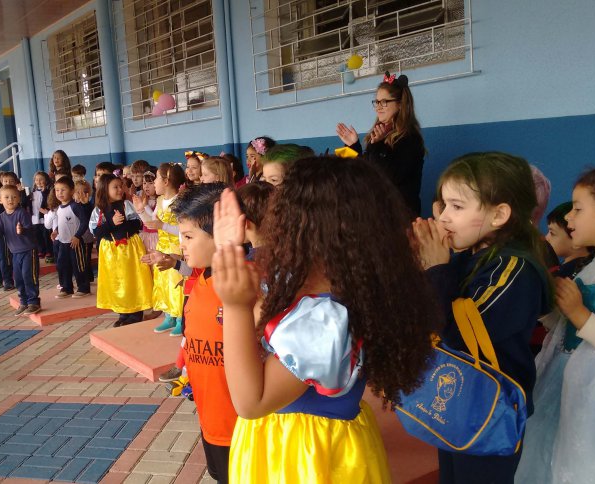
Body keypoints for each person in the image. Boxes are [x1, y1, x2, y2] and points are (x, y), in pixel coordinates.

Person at [213, 156, 437, 482]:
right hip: (308, 444)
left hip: (302, 457)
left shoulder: (325, 324)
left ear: (308, 234)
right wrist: (229, 254)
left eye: (283, 220)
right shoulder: (340, 290)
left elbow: (251, 402)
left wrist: (234, 307)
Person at [412, 152, 552, 483]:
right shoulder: (470, 255)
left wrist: (436, 269)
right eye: (443, 205)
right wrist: (424, 265)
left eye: (457, 206)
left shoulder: (513, 269)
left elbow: (459, 334)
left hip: (489, 409)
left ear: (499, 214)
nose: (444, 217)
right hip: (458, 400)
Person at [515, 169, 595, 484]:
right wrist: (544, 307)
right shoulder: (588, 269)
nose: (568, 217)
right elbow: (564, 333)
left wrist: (579, 314)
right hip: (559, 390)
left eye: (577, 208)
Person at [171, 182, 237, 483]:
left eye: (188, 237)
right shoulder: (199, 284)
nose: (181, 245)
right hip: (211, 420)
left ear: (223, 234)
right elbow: (192, 340)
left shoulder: (240, 290)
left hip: (245, 428)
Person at [336, 72, 425, 215]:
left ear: (400, 104)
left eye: (384, 102)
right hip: (378, 213)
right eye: (376, 102)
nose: (378, 107)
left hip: (400, 216)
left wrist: (378, 145)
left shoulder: (410, 138)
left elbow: (385, 177)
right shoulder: (379, 134)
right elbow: (364, 172)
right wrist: (353, 146)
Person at [89, 173, 153, 327]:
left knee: (132, 279)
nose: (119, 190)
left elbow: (137, 224)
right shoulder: (99, 210)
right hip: (112, 253)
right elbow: (96, 232)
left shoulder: (126, 205)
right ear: (105, 189)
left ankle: (136, 312)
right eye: (115, 187)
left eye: (120, 186)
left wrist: (122, 224)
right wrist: (111, 223)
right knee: (117, 281)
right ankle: (123, 312)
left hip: (130, 249)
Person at [0, 185, 41, 315]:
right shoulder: (1, 217)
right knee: (18, 278)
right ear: (0, 200)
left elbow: (31, 231)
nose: (10, 200)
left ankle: (33, 302)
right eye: (6, 197)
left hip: (29, 251)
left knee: (29, 276)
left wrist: (22, 231)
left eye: (14, 197)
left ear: (19, 199)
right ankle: (23, 301)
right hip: (15, 253)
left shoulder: (22, 213)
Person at [149, 163, 187, 336]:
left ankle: (180, 318)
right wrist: (141, 210)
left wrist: (162, 226)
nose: (154, 182)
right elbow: (152, 223)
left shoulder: (180, 202)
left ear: (166, 181)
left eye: (157, 178)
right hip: (161, 247)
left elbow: (183, 228)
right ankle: (169, 315)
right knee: (164, 283)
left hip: (175, 249)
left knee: (176, 284)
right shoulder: (159, 201)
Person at [50, 177, 91, 298]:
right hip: (63, 243)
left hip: (75, 243)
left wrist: (77, 236)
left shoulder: (75, 206)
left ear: (72, 191)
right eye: (57, 190)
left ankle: (83, 288)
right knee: (63, 266)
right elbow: (61, 222)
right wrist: (55, 231)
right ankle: (66, 288)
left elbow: (84, 222)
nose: (60, 193)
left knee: (78, 265)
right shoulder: (59, 208)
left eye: (63, 190)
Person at [31, 171, 51, 259]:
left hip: (44, 218)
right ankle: (41, 250)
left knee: (46, 235)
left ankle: (48, 251)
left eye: (41, 179)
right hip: (35, 218)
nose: (38, 181)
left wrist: (44, 192)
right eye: (36, 180)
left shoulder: (48, 192)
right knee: (37, 236)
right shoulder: (32, 193)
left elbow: (48, 202)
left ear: (46, 180)